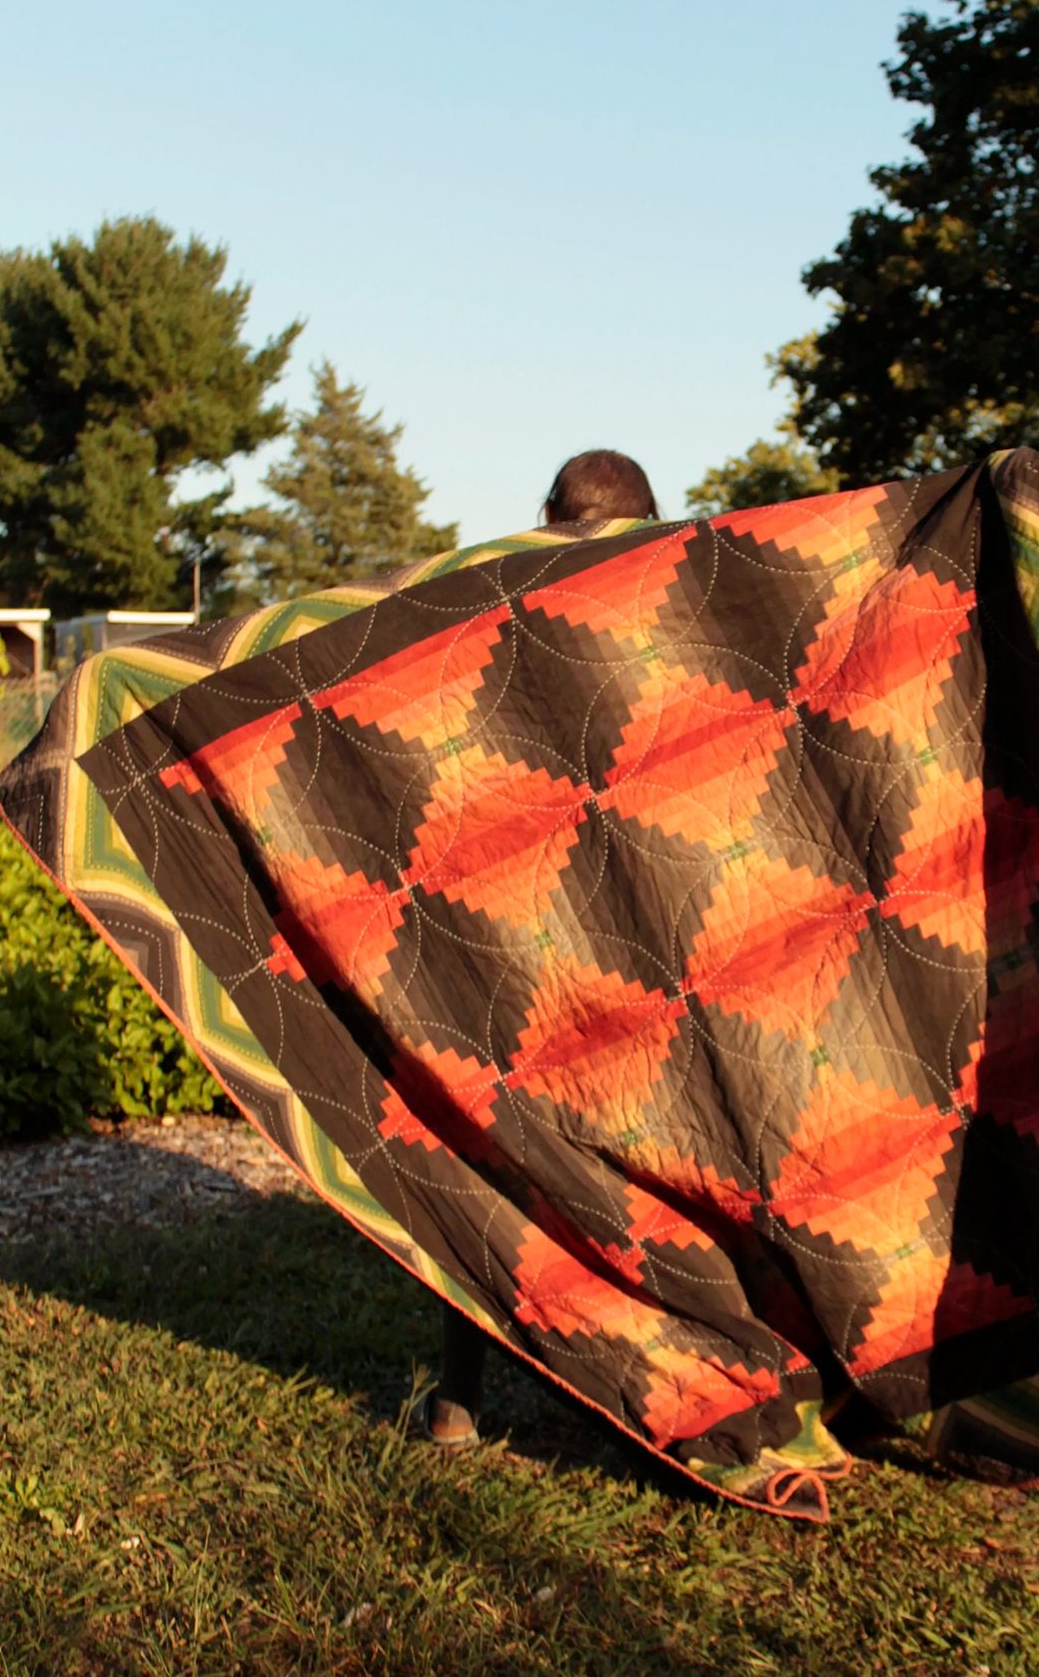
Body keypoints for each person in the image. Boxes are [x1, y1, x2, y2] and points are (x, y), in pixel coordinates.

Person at [419, 448, 661, 1448]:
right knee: (649, 1156)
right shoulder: (680, 612)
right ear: (653, 521)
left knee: (491, 1151)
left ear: (547, 513)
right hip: (638, 937)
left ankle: (458, 1400)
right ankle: (652, 1381)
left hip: (519, 932)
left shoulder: (498, 615)